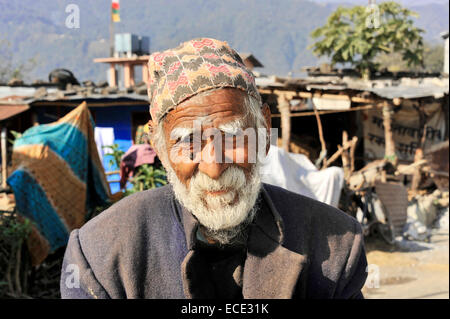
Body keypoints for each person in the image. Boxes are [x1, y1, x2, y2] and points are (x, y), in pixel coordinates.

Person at [60, 38, 368, 299]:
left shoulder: (335, 245)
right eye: (187, 142)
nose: (213, 166)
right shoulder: (101, 255)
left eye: (234, 136)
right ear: (159, 146)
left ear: (263, 130)